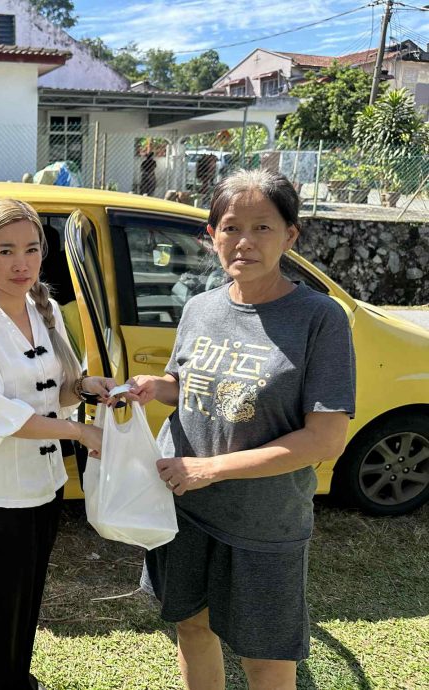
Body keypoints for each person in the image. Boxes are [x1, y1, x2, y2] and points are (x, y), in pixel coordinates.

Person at [123, 169, 355, 690]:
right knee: (191, 627)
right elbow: (192, 385)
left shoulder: (320, 319)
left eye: (263, 228)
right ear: (212, 235)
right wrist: (156, 387)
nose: (244, 242)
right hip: (185, 511)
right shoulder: (201, 308)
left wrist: (211, 469)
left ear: (290, 236)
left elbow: (325, 439)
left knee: (267, 661)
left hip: (263, 526)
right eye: (230, 227)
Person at [0, 198, 120, 690]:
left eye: (31, 248)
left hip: (45, 487)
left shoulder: (46, 312)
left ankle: (17, 680)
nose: (21, 262)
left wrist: (84, 388)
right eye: (5, 250)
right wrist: (80, 432)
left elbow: (54, 394)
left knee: (26, 604)